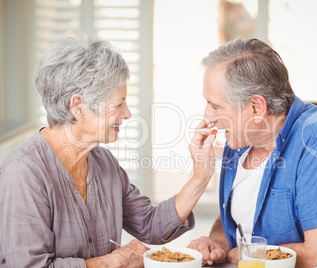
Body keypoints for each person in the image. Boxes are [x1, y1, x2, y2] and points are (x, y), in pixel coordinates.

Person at [0, 34, 216, 267]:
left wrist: (200, 176)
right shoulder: (23, 172)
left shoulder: (104, 162)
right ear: (78, 106)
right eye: (118, 104)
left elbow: (151, 225)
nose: (128, 114)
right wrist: (110, 262)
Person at [187, 38, 317, 268]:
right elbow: (235, 219)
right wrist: (217, 244)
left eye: (216, 106)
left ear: (257, 108)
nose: (208, 116)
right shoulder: (237, 141)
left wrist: (244, 255)